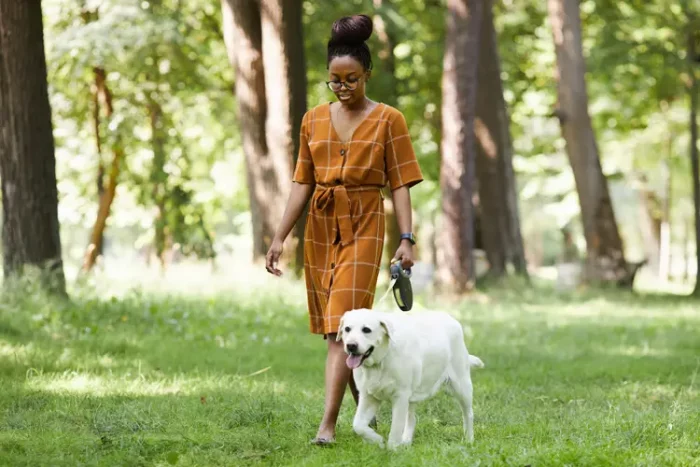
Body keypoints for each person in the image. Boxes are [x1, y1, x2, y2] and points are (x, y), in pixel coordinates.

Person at [264, 13, 424, 445]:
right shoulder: (312, 119)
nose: (343, 87)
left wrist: (406, 238)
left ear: (367, 74)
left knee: (340, 328)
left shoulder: (390, 119)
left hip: (366, 223)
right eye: (335, 81)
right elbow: (302, 181)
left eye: (351, 79)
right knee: (337, 332)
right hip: (320, 225)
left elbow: (401, 184)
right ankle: (365, 414)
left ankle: (328, 427)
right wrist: (281, 236)